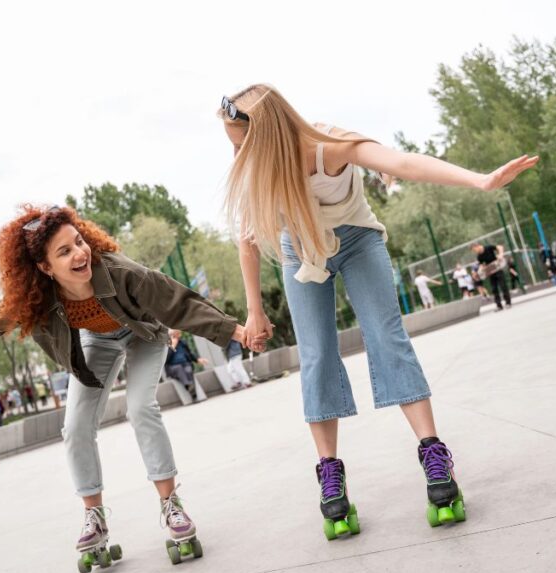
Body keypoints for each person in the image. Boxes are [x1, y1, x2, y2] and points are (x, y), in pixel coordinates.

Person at [0, 205, 257, 559]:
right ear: (45, 267)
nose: (80, 254)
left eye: (79, 241)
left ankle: (171, 505)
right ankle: (94, 517)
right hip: (97, 342)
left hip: (144, 334)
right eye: (65, 251)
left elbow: (177, 302)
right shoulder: (34, 301)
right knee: (74, 428)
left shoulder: (120, 272)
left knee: (140, 407)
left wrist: (237, 331)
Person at [219, 84, 537, 535]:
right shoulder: (252, 169)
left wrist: (480, 179)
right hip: (301, 253)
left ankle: (433, 455)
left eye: (241, 143)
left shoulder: (330, 144)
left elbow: (403, 163)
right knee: (316, 356)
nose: (237, 155)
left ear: (266, 134)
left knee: (387, 336)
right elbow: (247, 241)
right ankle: (330, 476)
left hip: (357, 239)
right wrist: (255, 310)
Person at [165, 329, 209, 402]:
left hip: (185, 364)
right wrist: (172, 346)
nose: (180, 333)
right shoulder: (166, 345)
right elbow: (165, 359)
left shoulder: (183, 342)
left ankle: (189, 387)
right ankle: (190, 387)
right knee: (179, 369)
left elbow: (190, 354)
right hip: (173, 367)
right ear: (172, 335)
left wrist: (198, 360)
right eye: (178, 333)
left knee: (188, 368)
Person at [472, 242, 511, 311]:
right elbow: (481, 265)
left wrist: (500, 254)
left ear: (477, 246)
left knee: (503, 286)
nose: (475, 251)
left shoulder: (488, 247)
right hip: (490, 271)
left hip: (497, 268)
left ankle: (508, 302)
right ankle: (499, 306)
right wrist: (479, 271)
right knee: (494, 289)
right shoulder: (479, 256)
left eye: (474, 250)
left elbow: (500, 247)